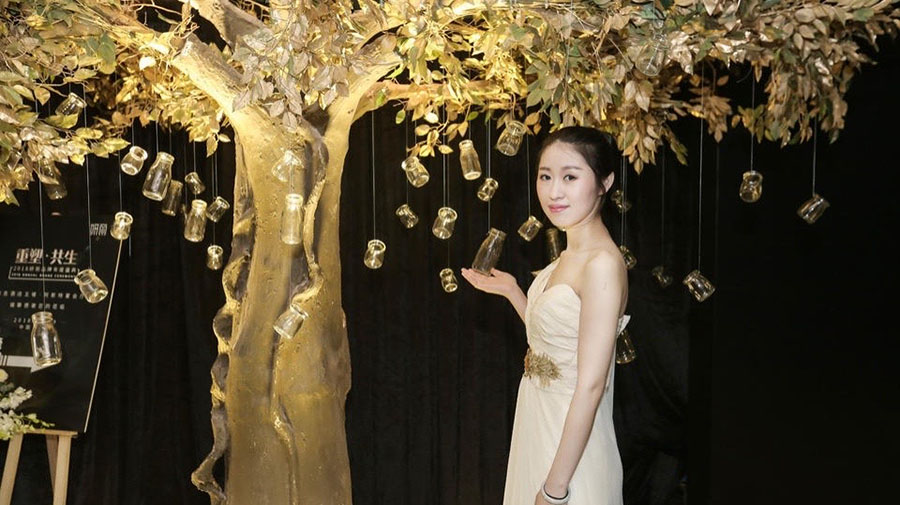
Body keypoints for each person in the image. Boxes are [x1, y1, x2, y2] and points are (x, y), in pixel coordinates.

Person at [461, 126, 629, 505]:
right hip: (537, 424)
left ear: (604, 183)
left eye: (570, 177)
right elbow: (556, 344)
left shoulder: (601, 264)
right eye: (545, 177)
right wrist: (513, 293)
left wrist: (555, 490)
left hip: (570, 447)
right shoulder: (568, 255)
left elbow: (591, 384)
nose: (554, 192)